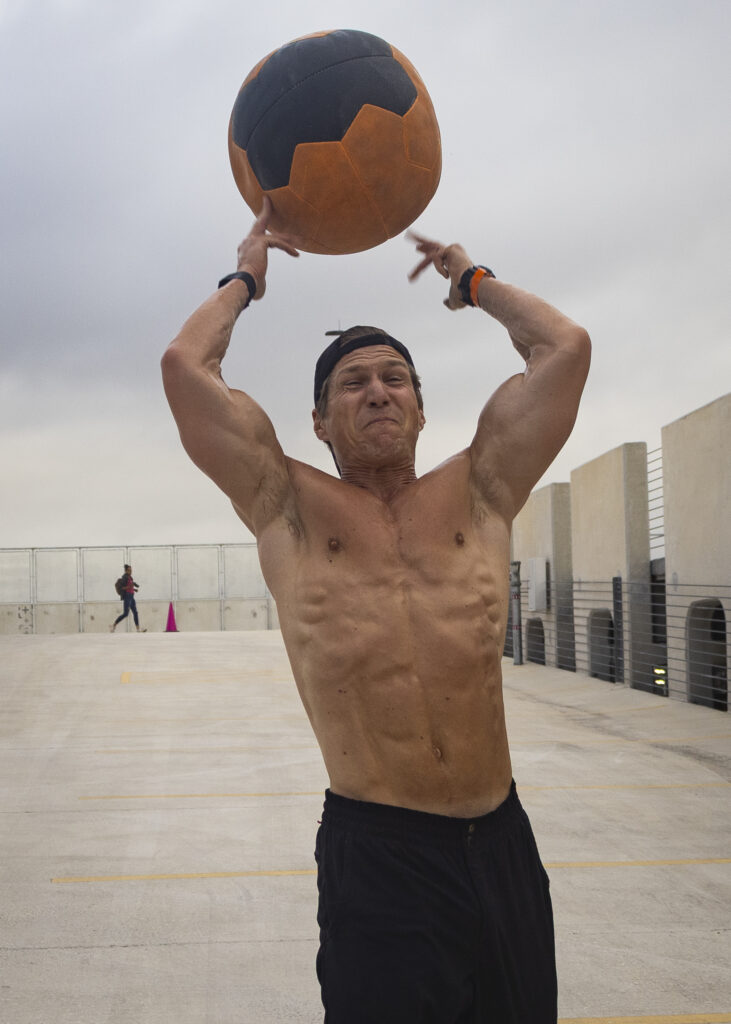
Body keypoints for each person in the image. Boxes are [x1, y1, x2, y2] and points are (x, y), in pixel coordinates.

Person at [161, 197, 591, 1023]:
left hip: (500, 842)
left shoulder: (483, 489)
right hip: (380, 853)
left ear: (422, 408)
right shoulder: (284, 503)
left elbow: (562, 348)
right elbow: (187, 369)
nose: (378, 391)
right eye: (352, 383)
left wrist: (470, 279)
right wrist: (245, 278)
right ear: (318, 421)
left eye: (396, 377)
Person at [110, 564, 145, 633]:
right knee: (125, 613)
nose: (131, 571)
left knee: (135, 612)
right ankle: (114, 625)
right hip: (127, 597)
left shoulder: (130, 577)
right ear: (126, 571)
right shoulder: (124, 578)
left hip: (132, 597)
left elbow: (130, 586)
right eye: (129, 570)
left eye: (131, 570)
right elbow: (122, 588)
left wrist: (134, 589)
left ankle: (138, 629)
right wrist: (129, 587)